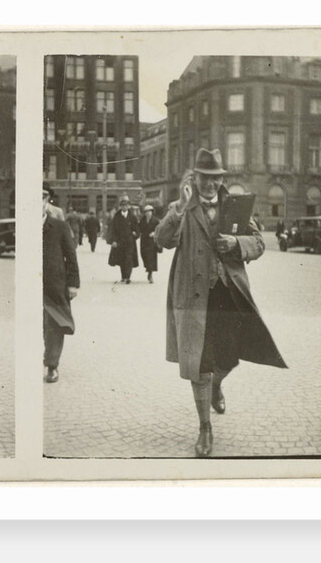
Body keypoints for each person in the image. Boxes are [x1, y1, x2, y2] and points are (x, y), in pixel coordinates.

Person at [155, 148, 287, 457]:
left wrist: (237, 244)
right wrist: (180, 208)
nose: (210, 184)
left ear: (221, 179)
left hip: (228, 296)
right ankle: (204, 427)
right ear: (195, 178)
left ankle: (216, 386)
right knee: (199, 363)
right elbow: (161, 239)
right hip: (193, 299)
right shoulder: (183, 207)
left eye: (216, 179)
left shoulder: (236, 207)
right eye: (205, 178)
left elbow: (258, 243)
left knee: (228, 359)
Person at [42, 182, 79, 384]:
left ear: (47, 201)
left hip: (55, 286)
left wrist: (73, 284)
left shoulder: (60, 227)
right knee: (36, 325)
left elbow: (71, 257)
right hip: (31, 286)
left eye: (40, 198)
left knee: (54, 326)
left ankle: (52, 366)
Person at [107, 195, 139, 283]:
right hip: (119, 241)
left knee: (129, 259)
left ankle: (128, 277)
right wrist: (113, 240)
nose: (124, 207)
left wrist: (135, 234)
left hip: (130, 242)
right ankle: (123, 276)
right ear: (120, 207)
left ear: (128, 206)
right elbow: (113, 229)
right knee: (122, 259)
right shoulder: (116, 217)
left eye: (126, 205)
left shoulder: (132, 217)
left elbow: (137, 228)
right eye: (122, 205)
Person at [138, 204, 161, 283]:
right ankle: (148, 268)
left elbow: (159, 230)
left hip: (152, 242)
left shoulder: (156, 221)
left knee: (151, 257)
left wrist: (154, 233)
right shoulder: (142, 220)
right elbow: (139, 229)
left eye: (149, 211)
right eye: (146, 212)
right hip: (144, 241)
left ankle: (150, 274)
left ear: (152, 212)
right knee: (144, 255)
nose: (148, 213)